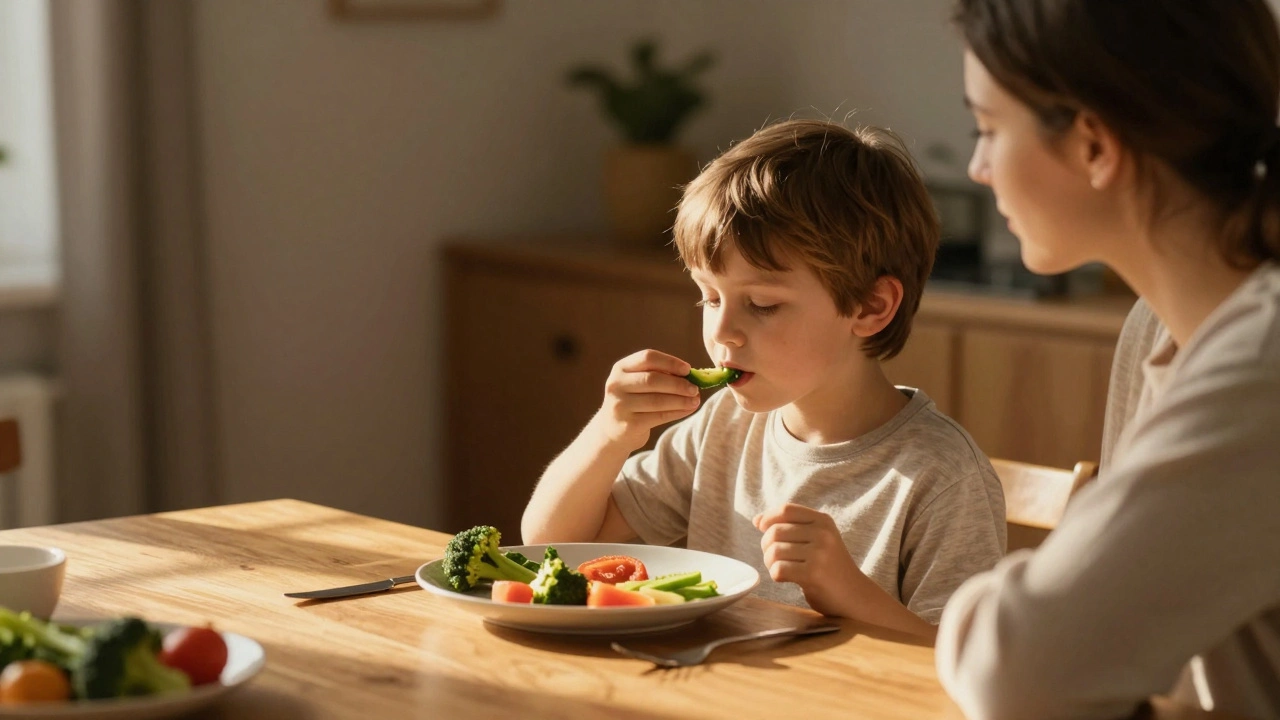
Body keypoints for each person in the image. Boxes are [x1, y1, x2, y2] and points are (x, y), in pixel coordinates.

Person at [522, 118, 1006, 636]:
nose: (722, 332)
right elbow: (551, 547)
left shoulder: (943, 476)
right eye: (710, 298)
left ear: (870, 306)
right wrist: (608, 435)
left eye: (762, 304)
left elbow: (969, 664)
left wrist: (850, 594)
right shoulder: (721, 428)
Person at [937, 1, 1280, 718]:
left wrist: (984, 604)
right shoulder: (1153, 327)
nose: (977, 168)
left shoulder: (1264, 360)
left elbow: (1019, 669)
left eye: (988, 129)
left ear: (1095, 145)